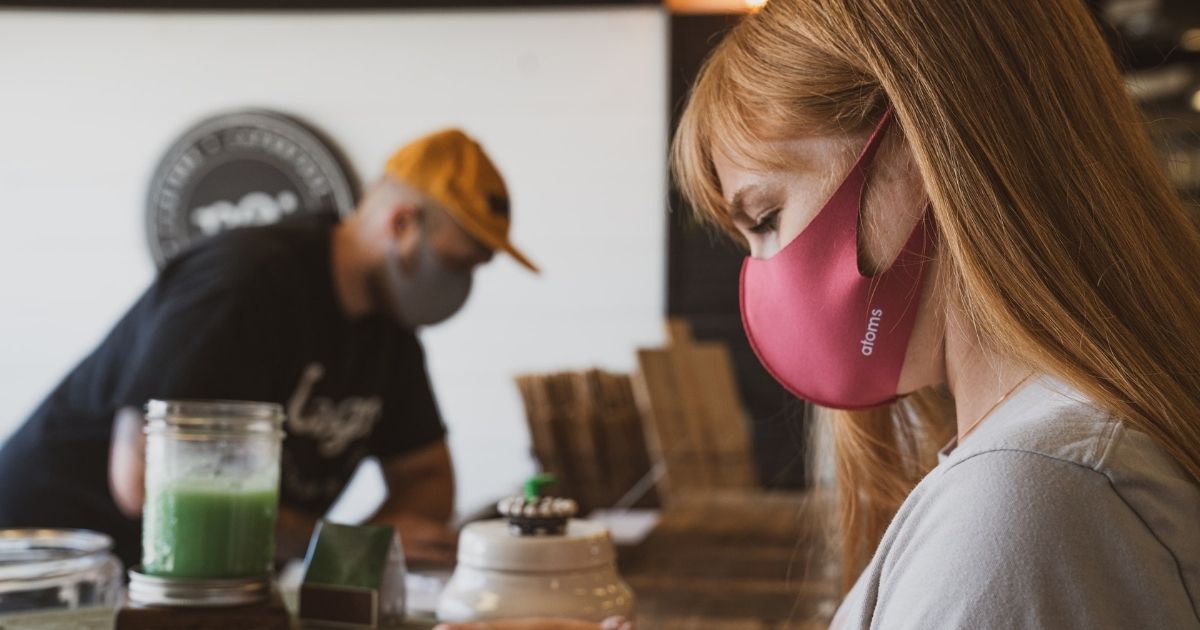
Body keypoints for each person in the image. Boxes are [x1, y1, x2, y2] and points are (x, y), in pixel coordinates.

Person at [440, 0, 1200, 628]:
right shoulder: (1045, 462)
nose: (765, 277)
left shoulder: (1028, 502)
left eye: (766, 216)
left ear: (920, 147)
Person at [0, 128, 539, 569]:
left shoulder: (389, 334)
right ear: (401, 224)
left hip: (195, 585)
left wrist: (360, 552)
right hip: (47, 568)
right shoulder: (242, 283)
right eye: (459, 263)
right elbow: (146, 480)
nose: (463, 283)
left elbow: (426, 477)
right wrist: (335, 548)